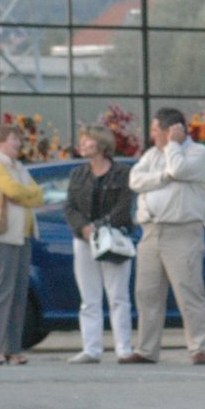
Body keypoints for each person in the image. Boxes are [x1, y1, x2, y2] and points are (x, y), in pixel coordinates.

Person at [124, 108, 205, 365]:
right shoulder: (151, 155)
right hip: (150, 231)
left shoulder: (198, 153)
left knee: (189, 290)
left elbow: (180, 169)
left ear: (171, 130)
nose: (152, 135)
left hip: (182, 231)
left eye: (155, 130)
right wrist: (163, 177)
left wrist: (174, 146)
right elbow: (135, 180)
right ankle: (146, 349)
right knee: (147, 292)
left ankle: (199, 347)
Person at [63, 126, 134, 365]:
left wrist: (102, 225)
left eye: (88, 141)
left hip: (113, 238)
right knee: (89, 297)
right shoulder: (78, 174)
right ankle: (91, 348)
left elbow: (125, 206)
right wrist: (83, 228)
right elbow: (70, 207)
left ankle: (123, 348)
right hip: (84, 240)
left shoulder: (122, 173)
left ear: (102, 145)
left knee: (118, 297)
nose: (82, 145)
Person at [0, 124, 44, 366]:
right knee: (0, 291)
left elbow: (38, 194)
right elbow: (13, 190)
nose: (19, 143)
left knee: (18, 293)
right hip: (1, 236)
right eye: (15, 139)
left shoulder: (18, 166)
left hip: (21, 236)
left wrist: (26, 194)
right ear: (1, 141)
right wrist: (26, 193)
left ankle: (12, 348)